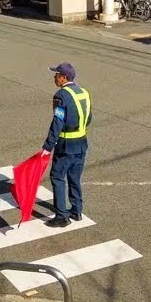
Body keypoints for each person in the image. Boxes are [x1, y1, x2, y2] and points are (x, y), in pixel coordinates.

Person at [40, 62, 92, 228]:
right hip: (81, 143)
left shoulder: (61, 95)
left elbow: (58, 122)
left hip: (66, 145)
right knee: (74, 178)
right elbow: (89, 117)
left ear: (63, 78)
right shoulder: (83, 93)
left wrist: (48, 146)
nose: (54, 77)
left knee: (57, 177)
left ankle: (62, 216)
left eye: (56, 75)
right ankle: (76, 210)